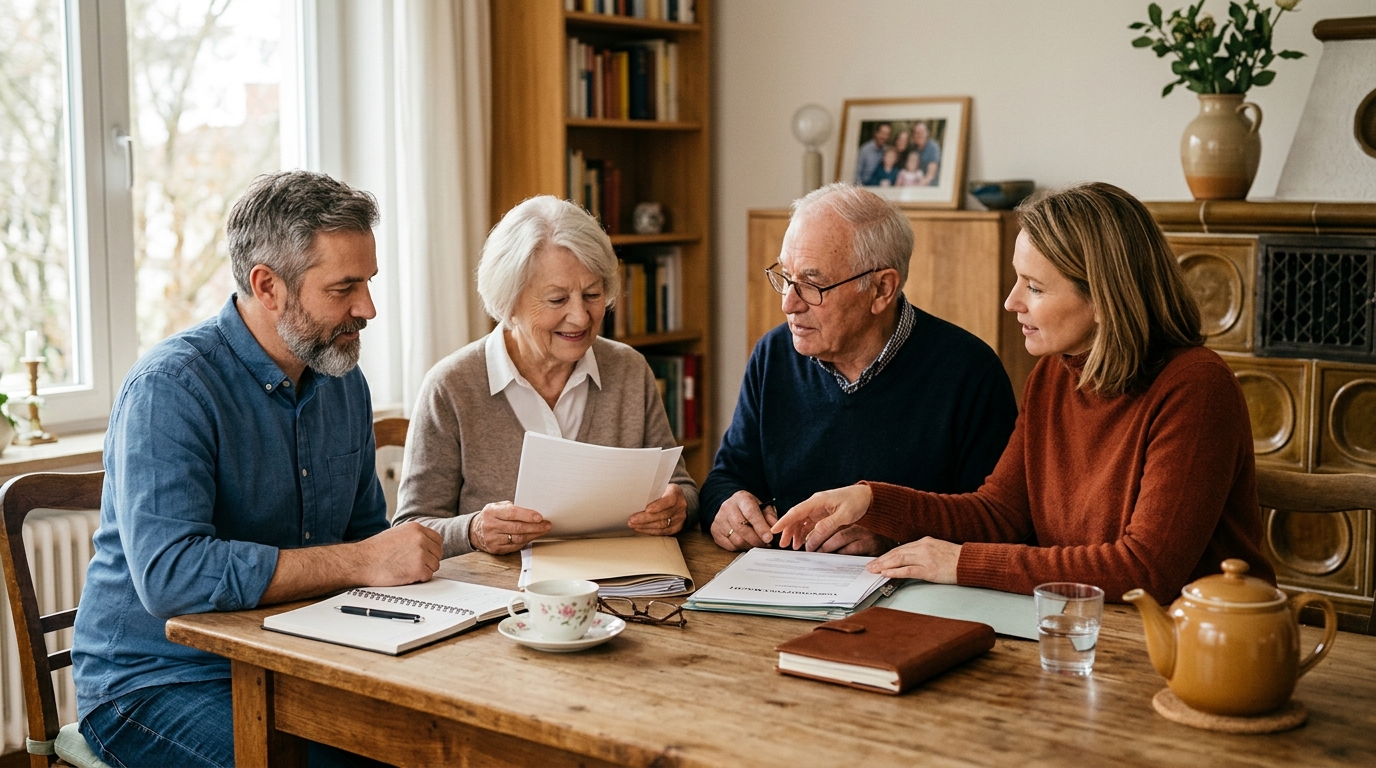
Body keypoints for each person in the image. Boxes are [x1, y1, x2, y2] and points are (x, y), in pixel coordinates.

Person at [73, 171, 444, 767]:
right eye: (343, 288)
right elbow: (172, 575)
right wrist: (364, 560)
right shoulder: (170, 388)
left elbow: (368, 539)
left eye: (369, 283)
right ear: (267, 286)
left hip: (297, 658)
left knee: (431, 748)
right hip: (156, 684)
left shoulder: (343, 383)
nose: (367, 308)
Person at [773, 182, 1274, 603]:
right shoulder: (1055, 376)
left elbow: (1145, 570)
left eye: (1034, 287)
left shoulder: (1196, 388)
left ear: (1103, 297)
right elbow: (999, 514)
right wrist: (869, 499)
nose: (1012, 302)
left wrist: (961, 562)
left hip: (1199, 645)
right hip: (1078, 623)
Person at [701, 183, 1018, 555]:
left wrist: (895, 538)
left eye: (812, 284)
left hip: (914, 599)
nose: (789, 303)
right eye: (786, 276)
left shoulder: (969, 372)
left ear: (882, 289)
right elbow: (728, 476)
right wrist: (725, 505)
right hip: (786, 586)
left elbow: (999, 524)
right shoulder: (774, 354)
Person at [393, 195, 697, 557]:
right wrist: (473, 531)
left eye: (592, 294)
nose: (581, 317)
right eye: (557, 300)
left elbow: (681, 488)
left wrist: (677, 508)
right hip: (498, 600)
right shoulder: (451, 386)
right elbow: (412, 528)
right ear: (509, 302)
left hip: (620, 589)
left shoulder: (630, 370)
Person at [909, 122, 942, 186]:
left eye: (921, 132)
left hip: (929, 184)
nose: (918, 135)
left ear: (927, 133)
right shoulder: (912, 148)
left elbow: (931, 174)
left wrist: (918, 187)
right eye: (916, 133)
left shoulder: (933, 147)